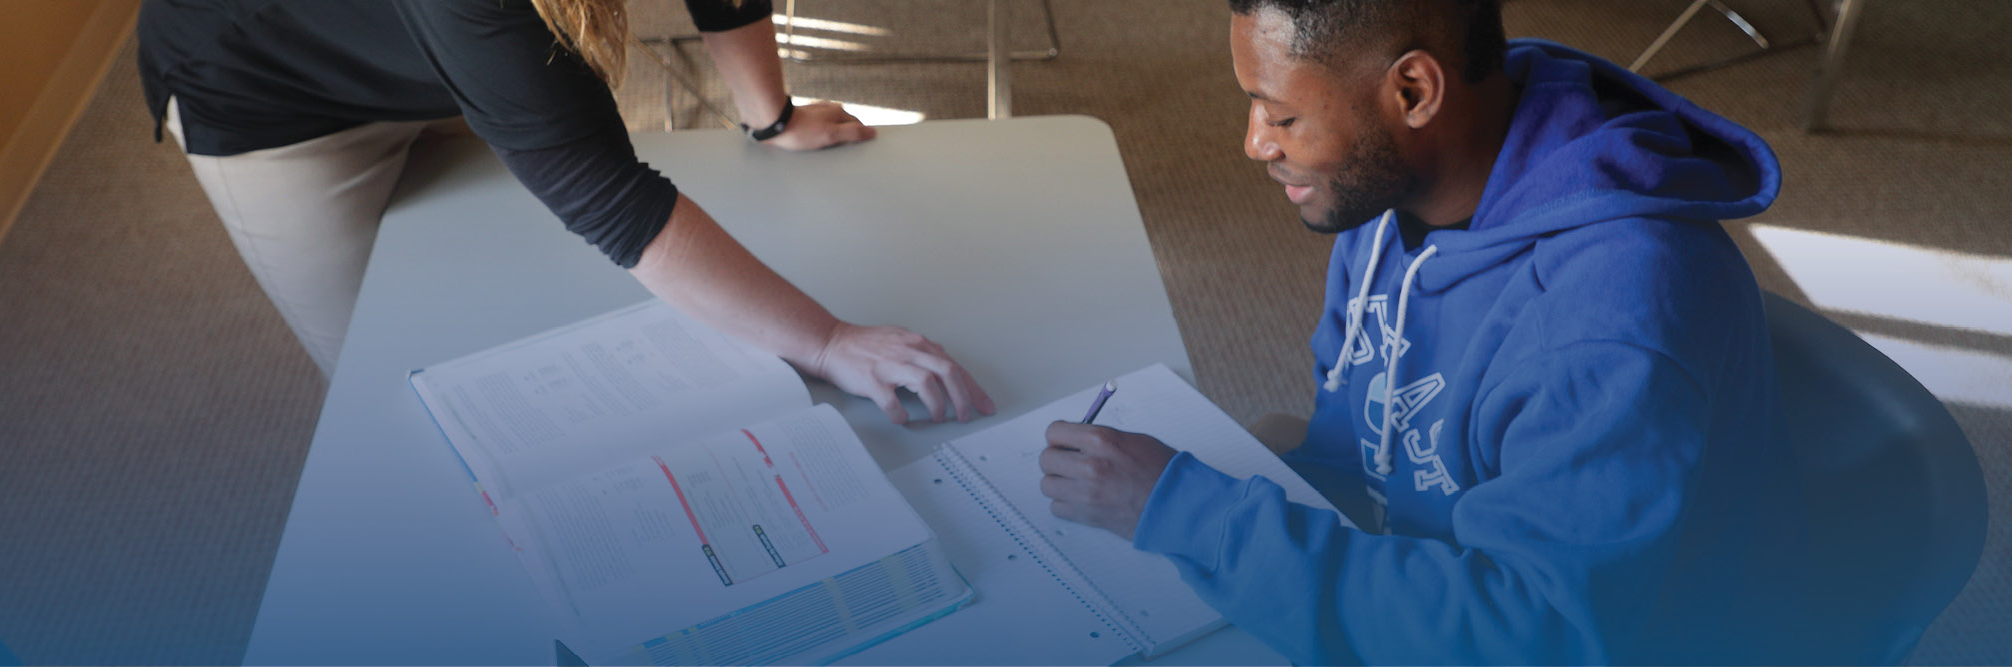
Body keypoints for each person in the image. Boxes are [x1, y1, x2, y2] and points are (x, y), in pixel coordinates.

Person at [1037, 0, 1808, 661]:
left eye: (1282, 114)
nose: (1256, 144)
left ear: (1412, 89)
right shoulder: (1393, 190)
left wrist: (1192, 517)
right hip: (1417, 572)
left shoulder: (1609, 320)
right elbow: (1349, 451)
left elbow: (1532, 637)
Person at [137, 0, 993, 425]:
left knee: (546, 307)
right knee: (398, 389)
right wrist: (828, 340)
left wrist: (768, 114)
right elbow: (609, 197)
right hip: (275, 106)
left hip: (442, 57)